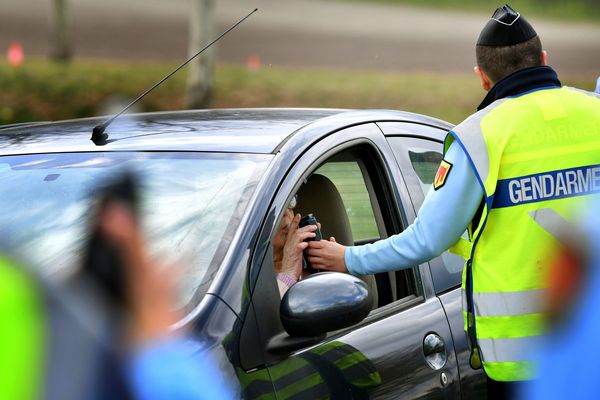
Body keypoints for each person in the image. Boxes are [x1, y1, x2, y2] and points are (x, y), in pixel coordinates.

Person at [306, 4, 600, 399]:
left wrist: (348, 259)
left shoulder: (480, 137)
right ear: (544, 60)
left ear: (482, 78)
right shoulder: (594, 112)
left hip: (525, 362)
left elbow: (427, 240)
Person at [272, 194, 321, 297]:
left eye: (288, 201)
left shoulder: (307, 272)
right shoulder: (246, 281)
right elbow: (267, 311)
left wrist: (320, 273)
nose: (285, 211)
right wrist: (288, 275)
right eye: (272, 208)